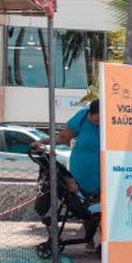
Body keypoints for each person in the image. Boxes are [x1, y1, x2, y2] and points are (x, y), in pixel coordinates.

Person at [36, 100, 101, 253]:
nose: (98, 123)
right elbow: (63, 138)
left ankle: (105, 243)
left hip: (106, 171)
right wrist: (43, 142)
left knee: (104, 208)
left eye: (101, 120)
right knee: (85, 205)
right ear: (90, 114)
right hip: (82, 171)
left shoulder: (114, 120)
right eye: (96, 119)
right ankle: (89, 240)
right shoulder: (82, 117)